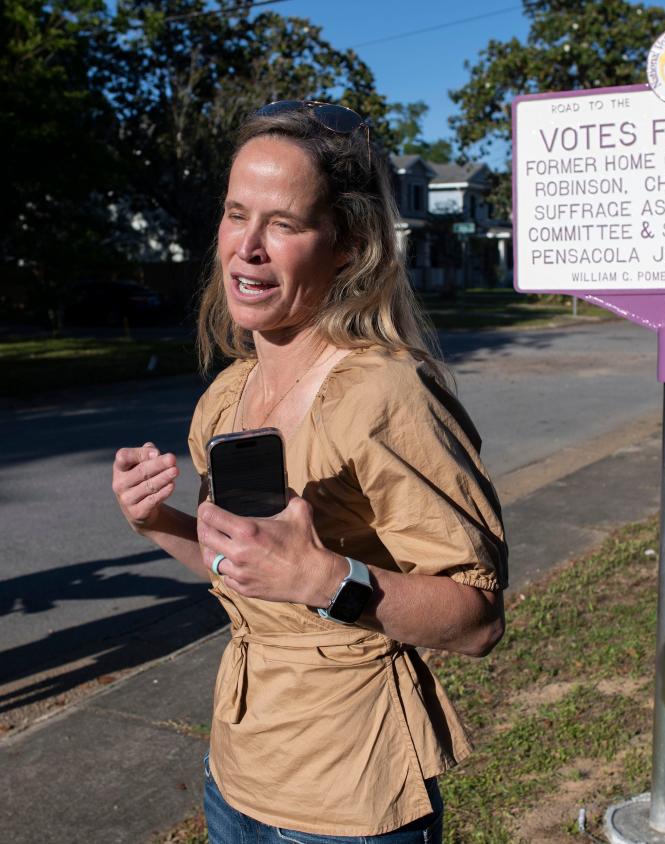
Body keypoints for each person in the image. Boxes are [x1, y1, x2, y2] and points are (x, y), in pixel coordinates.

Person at [111, 100, 508, 842]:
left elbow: (477, 620)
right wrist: (155, 520)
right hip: (236, 775)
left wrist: (326, 581)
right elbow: (246, 569)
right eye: (236, 215)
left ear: (347, 247)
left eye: (284, 224)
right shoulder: (226, 397)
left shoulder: (383, 394)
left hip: (347, 798)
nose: (247, 248)